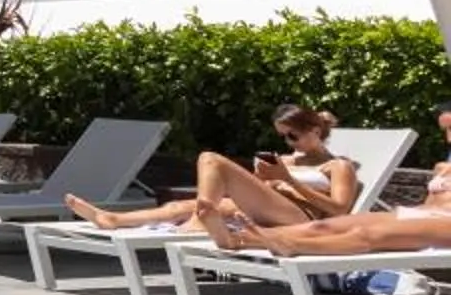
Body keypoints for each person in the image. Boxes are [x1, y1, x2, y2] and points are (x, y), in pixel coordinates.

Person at [199, 103, 451, 264]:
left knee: (369, 235)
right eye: (445, 130)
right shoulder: (442, 166)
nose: (448, 136)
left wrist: (287, 181)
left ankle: (289, 244)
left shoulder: (338, 165)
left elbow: (339, 203)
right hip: (419, 213)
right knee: (326, 228)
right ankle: (239, 240)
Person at [67, 103, 358, 231]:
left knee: (210, 159)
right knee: (179, 207)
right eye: (283, 136)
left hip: (300, 216)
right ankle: (113, 220)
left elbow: (339, 210)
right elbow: (269, 186)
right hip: (268, 208)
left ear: (315, 131)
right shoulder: (288, 160)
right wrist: (267, 180)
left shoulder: (338, 166)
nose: (289, 142)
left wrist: (289, 182)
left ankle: (200, 220)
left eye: (293, 135)